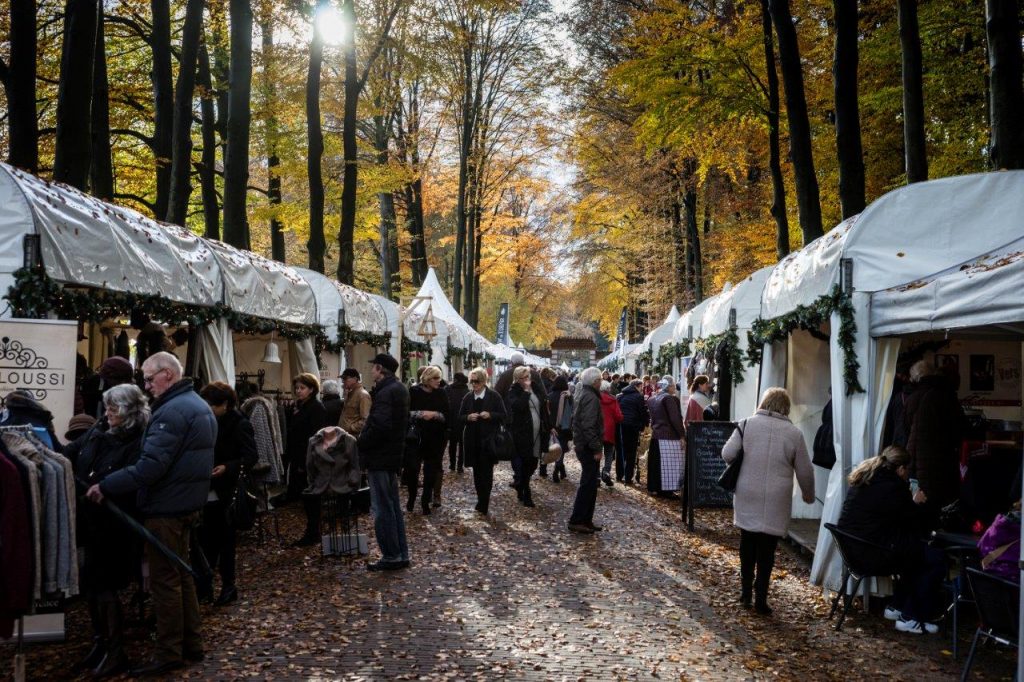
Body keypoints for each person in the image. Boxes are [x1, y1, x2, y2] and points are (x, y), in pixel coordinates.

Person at [86, 352, 215, 676]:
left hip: (166, 508)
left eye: (148, 378)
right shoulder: (195, 404)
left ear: (167, 375)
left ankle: (169, 651)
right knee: (181, 576)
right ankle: (191, 644)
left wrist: (107, 484)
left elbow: (151, 466)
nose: (145, 386)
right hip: (185, 504)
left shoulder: (172, 412)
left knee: (166, 582)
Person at [66, 385, 149, 678]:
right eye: (108, 408)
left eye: (114, 409)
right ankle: (101, 643)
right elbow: (72, 452)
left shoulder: (139, 439)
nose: (109, 413)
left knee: (105, 584)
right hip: (92, 519)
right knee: (91, 583)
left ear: (129, 411)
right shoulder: (100, 429)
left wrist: (103, 486)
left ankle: (116, 650)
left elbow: (130, 476)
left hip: (116, 524)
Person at [722, 387, 814, 615]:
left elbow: (727, 454)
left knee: (747, 543)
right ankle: (761, 597)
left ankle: (745, 592)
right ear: (786, 407)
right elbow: (805, 470)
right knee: (767, 550)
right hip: (777, 495)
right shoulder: (794, 433)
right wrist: (808, 493)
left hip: (748, 491)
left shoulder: (746, 424)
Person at [837, 446, 944, 633]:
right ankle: (910, 615)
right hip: (871, 553)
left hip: (854, 550)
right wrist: (916, 503)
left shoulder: (866, 479)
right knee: (934, 559)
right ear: (901, 469)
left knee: (913, 553)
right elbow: (913, 521)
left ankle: (898, 605)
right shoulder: (893, 487)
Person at [197, 382, 257, 607]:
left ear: (225, 404)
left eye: (211, 404)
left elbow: (251, 456)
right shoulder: (206, 421)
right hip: (207, 488)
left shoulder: (239, 424)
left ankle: (228, 585)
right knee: (206, 540)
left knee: (224, 541)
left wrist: (227, 467)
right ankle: (206, 585)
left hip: (226, 491)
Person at [357, 353, 410, 571]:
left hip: (381, 457)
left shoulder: (387, 392)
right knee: (392, 507)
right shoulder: (397, 389)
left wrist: (361, 442)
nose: (371, 371)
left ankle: (391, 555)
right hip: (390, 456)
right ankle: (399, 553)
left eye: (374, 368)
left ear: (380, 369)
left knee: (383, 509)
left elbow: (380, 426)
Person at [903, 360, 965, 510]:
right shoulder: (946, 396)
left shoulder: (911, 398)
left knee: (919, 505)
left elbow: (905, 430)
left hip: (913, 461)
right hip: (941, 463)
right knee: (941, 507)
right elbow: (960, 430)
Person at [287, 373, 329, 546]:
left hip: (309, 458)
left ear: (311, 389)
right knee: (307, 496)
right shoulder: (300, 406)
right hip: (299, 456)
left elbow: (316, 435)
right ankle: (312, 531)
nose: (298, 391)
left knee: (312, 497)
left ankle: (313, 532)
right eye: (297, 388)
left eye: (302, 388)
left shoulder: (316, 408)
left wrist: (308, 461)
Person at [459, 367, 506, 516]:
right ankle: (481, 498)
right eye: (471, 381)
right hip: (472, 440)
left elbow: (503, 415)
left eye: (477, 381)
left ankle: (484, 502)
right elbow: (459, 416)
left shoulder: (494, 396)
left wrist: (490, 415)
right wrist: (468, 417)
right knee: (477, 472)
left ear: (484, 381)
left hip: (488, 440)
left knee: (487, 472)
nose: (474, 384)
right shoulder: (467, 397)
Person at [406, 366, 450, 514]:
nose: (439, 381)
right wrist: (421, 413)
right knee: (413, 469)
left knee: (430, 472)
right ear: (427, 378)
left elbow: (447, 415)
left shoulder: (441, 393)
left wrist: (435, 414)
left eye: (439, 378)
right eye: (435, 378)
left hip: (435, 437)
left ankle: (425, 501)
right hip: (416, 437)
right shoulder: (414, 391)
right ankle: (412, 498)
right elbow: (406, 413)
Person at [507, 366, 551, 507]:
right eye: (524, 378)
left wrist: (550, 427)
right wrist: (525, 392)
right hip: (523, 433)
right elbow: (518, 407)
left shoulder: (536, 387)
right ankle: (527, 493)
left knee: (533, 463)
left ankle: (521, 484)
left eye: (528, 377)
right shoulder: (514, 391)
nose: (527, 380)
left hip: (538, 432)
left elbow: (544, 407)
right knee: (526, 462)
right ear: (518, 379)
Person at [568, 368, 604, 533]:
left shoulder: (584, 393)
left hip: (584, 444)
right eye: (600, 380)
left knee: (590, 484)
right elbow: (588, 426)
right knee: (588, 484)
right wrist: (596, 447)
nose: (601, 382)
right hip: (588, 446)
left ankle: (585, 519)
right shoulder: (591, 397)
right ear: (595, 381)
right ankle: (578, 519)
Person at [647, 377, 684, 498]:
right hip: (669, 436)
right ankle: (667, 491)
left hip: (656, 434)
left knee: (656, 464)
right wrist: (682, 435)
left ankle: (655, 487)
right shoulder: (669, 399)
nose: (675, 388)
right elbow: (675, 418)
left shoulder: (652, 398)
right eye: (673, 386)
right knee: (669, 466)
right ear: (668, 387)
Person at [617, 378, 649, 484]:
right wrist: (645, 423)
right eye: (641, 386)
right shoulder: (638, 397)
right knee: (631, 452)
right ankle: (628, 477)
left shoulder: (620, 396)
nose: (642, 388)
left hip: (621, 425)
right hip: (633, 426)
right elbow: (642, 411)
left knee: (621, 451)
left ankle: (619, 474)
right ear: (637, 386)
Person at [546, 375, 573, 483]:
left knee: (555, 449)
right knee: (561, 450)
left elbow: (546, 413)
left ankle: (560, 469)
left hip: (552, 426)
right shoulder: (568, 396)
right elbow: (571, 413)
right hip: (564, 427)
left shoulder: (549, 396)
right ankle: (557, 470)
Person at [599, 380, 624, 487]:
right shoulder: (613, 400)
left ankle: (596, 476)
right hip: (609, 430)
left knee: (597, 452)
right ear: (608, 389)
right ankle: (606, 472)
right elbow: (619, 417)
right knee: (609, 453)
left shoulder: (595, 398)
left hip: (597, 429)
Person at [445, 373, 470, 473]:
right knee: (462, 445)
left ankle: (452, 464)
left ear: (455, 379)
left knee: (452, 444)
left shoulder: (448, 389)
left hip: (451, 421)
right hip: (463, 421)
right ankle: (460, 466)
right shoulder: (467, 391)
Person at [340, 368, 372, 435]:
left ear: (355, 379)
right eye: (342, 379)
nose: (343, 381)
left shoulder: (363, 395)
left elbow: (366, 419)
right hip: (345, 435)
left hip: (353, 437)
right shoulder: (350, 393)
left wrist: (351, 428)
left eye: (345, 378)